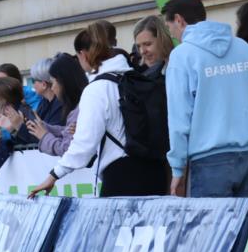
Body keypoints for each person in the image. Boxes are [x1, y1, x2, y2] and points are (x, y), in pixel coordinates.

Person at [29, 21, 169, 198]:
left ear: (83, 54)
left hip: (123, 176)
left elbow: (84, 145)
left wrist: (53, 175)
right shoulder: (134, 77)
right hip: (158, 171)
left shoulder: (96, 89)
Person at [160, 0, 248, 198]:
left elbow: (179, 118)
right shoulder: (242, 47)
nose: (172, 35)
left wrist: (177, 168)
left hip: (208, 159)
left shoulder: (182, 56)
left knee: (212, 220)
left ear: (179, 20)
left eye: (169, 28)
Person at [27, 53, 88, 157]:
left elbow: (66, 149)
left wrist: (44, 135)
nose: (52, 87)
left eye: (54, 82)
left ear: (63, 83)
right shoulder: (44, 104)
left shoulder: (77, 109)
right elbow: (66, 131)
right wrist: (44, 127)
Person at [29, 57, 64, 125]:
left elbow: (47, 130)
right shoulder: (44, 102)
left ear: (44, 85)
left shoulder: (60, 105)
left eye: (33, 81)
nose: (33, 85)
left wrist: (19, 125)